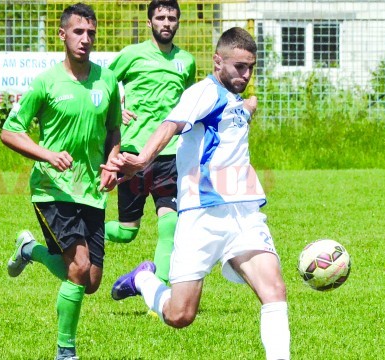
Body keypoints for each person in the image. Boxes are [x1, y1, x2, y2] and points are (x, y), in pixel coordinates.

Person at [104, 27, 290, 360]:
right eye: (239, 67)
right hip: (202, 215)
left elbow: (229, 123)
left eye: (251, 67)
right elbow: (170, 125)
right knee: (180, 315)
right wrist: (143, 159)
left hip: (244, 213)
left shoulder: (232, 98)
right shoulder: (202, 92)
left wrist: (247, 108)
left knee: (274, 291)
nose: (246, 75)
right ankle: (144, 279)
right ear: (217, 61)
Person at [0, 3, 122, 360]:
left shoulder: (107, 80)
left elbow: (113, 129)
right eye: (78, 32)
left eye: (91, 33)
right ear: (62, 34)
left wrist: (112, 161)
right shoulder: (46, 82)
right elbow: (10, 132)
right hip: (52, 188)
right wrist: (47, 155)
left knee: (91, 282)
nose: (85, 40)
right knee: (79, 268)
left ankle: (29, 250)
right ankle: (65, 351)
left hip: (92, 191)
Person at [105, 0, 196, 284]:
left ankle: (160, 292)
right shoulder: (132, 55)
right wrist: (117, 106)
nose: (166, 22)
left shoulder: (187, 61)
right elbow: (103, 83)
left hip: (171, 154)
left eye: (171, 17)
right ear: (149, 22)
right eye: (160, 17)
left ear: (178, 22)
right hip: (133, 154)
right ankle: (87, 229)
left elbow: (190, 101)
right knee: (126, 232)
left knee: (170, 223)